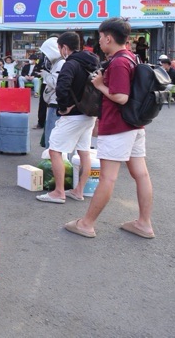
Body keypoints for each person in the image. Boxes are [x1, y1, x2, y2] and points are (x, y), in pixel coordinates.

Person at [64, 17, 155, 239]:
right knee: (141, 174)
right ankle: (144, 223)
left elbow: (121, 97)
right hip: (134, 125)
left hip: (118, 127)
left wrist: (99, 85)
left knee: (108, 177)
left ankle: (86, 224)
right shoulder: (132, 57)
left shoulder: (119, 62)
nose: (99, 41)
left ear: (108, 37)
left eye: (100, 37)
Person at [36, 32, 99, 204]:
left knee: (55, 150)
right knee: (84, 151)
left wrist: (63, 107)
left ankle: (58, 192)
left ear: (64, 47)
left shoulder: (70, 64)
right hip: (89, 113)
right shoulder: (91, 61)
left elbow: (62, 86)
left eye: (59, 47)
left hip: (72, 116)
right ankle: (78, 191)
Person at [38, 37, 64, 139]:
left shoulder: (60, 63)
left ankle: (51, 155)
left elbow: (56, 83)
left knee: (51, 138)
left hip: (55, 104)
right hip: (54, 103)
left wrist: (45, 75)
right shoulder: (58, 62)